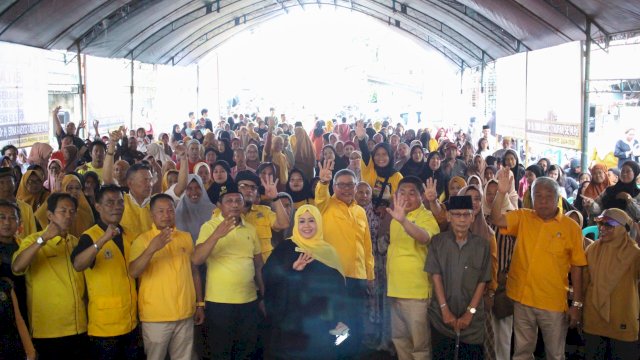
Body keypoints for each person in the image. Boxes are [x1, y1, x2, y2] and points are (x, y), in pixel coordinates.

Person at [490, 171, 587, 360]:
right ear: (532, 198)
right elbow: (496, 219)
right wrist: (501, 193)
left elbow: (578, 266)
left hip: (552, 302)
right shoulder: (523, 217)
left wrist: (577, 304)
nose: (543, 201)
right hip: (522, 299)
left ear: (557, 198)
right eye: (538, 196)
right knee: (522, 352)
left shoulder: (571, 227)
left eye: (548, 196)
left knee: (555, 354)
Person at [262, 204, 347, 360]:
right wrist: (291, 268)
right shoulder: (286, 248)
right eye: (301, 221)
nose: (306, 226)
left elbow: (339, 288)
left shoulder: (329, 251)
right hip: (291, 322)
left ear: (319, 223)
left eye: (311, 221)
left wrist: (341, 318)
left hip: (322, 322)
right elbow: (268, 276)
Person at [11, 193, 89, 359]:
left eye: (72, 211)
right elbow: (17, 267)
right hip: (48, 331)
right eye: (63, 211)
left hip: (79, 326)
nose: (68, 215)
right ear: (50, 215)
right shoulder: (32, 241)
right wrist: (43, 239)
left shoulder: (76, 242)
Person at [129, 194, 204, 360]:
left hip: (185, 312)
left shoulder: (185, 237)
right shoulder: (142, 240)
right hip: (156, 316)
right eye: (161, 211)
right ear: (152, 215)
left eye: (170, 210)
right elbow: (133, 272)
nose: (166, 215)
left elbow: (194, 272)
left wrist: (199, 304)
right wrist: (152, 248)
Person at [70, 185, 142, 359]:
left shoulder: (129, 235)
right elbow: (78, 264)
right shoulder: (89, 236)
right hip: (104, 327)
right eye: (110, 202)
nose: (117, 206)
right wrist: (102, 240)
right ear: (98, 207)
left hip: (131, 321)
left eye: (119, 202)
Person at [192, 191, 264, 360]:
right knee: (220, 351)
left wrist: (264, 295)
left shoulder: (250, 229)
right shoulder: (209, 227)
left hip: (249, 301)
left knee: (246, 351)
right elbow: (196, 259)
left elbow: (259, 265)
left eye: (238, 201)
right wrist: (217, 234)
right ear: (220, 205)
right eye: (229, 201)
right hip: (219, 303)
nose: (234, 205)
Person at [316, 161, 374, 357]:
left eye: (350, 184)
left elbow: (367, 246)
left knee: (356, 320)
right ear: (334, 187)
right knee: (338, 323)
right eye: (341, 184)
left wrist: (370, 274)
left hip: (358, 276)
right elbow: (319, 198)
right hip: (334, 277)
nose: (346, 189)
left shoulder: (360, 211)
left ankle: (353, 354)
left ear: (356, 187)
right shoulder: (325, 206)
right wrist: (322, 182)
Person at [425, 195, 492, 360]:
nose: (461, 219)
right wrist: (444, 310)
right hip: (441, 319)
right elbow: (436, 275)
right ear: (448, 216)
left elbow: (482, 281)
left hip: (473, 322)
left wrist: (470, 313)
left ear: (472, 217)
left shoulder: (482, 245)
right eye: (456, 214)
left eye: (466, 214)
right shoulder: (438, 242)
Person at [386, 176, 440, 360]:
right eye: (402, 193)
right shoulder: (397, 216)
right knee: (400, 341)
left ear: (421, 196)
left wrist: (403, 221)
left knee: (420, 347)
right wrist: (401, 219)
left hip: (416, 293)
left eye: (412, 194)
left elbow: (425, 237)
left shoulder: (426, 216)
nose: (406, 198)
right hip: (395, 289)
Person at [582, 208, 640, 360]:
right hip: (593, 317)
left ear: (622, 228)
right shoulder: (592, 249)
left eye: (609, 225)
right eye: (601, 224)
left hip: (622, 316)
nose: (602, 228)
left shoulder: (634, 253)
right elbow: (583, 282)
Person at [355, 121, 403, 205]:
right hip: (365, 215)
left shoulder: (397, 177)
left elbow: (401, 200)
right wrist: (361, 140)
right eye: (377, 154)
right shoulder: (369, 168)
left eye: (384, 154)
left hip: (389, 216)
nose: (381, 158)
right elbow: (365, 153)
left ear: (390, 157)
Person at [175, 175, 216, 242]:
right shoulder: (179, 212)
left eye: (197, 187)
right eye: (189, 188)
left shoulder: (213, 210)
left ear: (202, 189)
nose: (194, 192)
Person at [0, 168, 36, 238]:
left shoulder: (27, 208)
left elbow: (33, 236)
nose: (6, 186)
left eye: (9, 182)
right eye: (1, 182)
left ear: (15, 183)